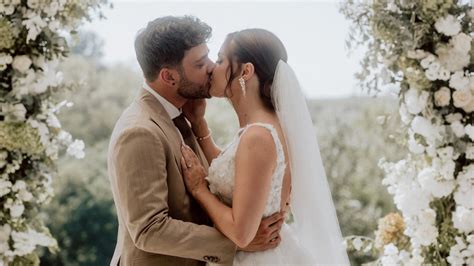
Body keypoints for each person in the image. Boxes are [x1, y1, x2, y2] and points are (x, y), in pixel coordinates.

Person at [107, 17, 284, 266]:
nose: (212, 68)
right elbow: (149, 229)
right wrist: (237, 243)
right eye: (201, 64)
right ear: (169, 77)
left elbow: (225, 178)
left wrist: (199, 126)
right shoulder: (139, 132)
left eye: (211, 58)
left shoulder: (184, 116)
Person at [181, 28, 350, 265]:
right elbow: (240, 173)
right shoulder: (271, 125)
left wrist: (199, 188)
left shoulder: (257, 136)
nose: (212, 68)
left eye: (220, 60)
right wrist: (199, 126)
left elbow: (241, 233)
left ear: (246, 71)